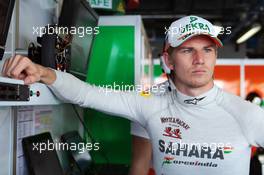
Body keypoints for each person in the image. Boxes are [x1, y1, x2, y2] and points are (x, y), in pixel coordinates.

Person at [2, 15, 264, 175]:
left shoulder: (246, 114)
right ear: (168, 60)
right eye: (187, 50)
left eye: (208, 50)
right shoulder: (150, 104)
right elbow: (86, 94)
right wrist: (43, 72)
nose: (199, 59)